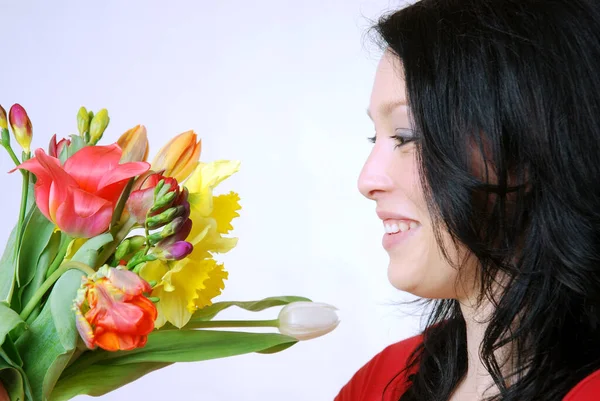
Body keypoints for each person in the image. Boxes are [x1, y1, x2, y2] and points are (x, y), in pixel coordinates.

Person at [336, 0, 600, 400]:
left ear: (530, 144)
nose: (367, 180)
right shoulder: (380, 382)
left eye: (407, 136)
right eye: (377, 137)